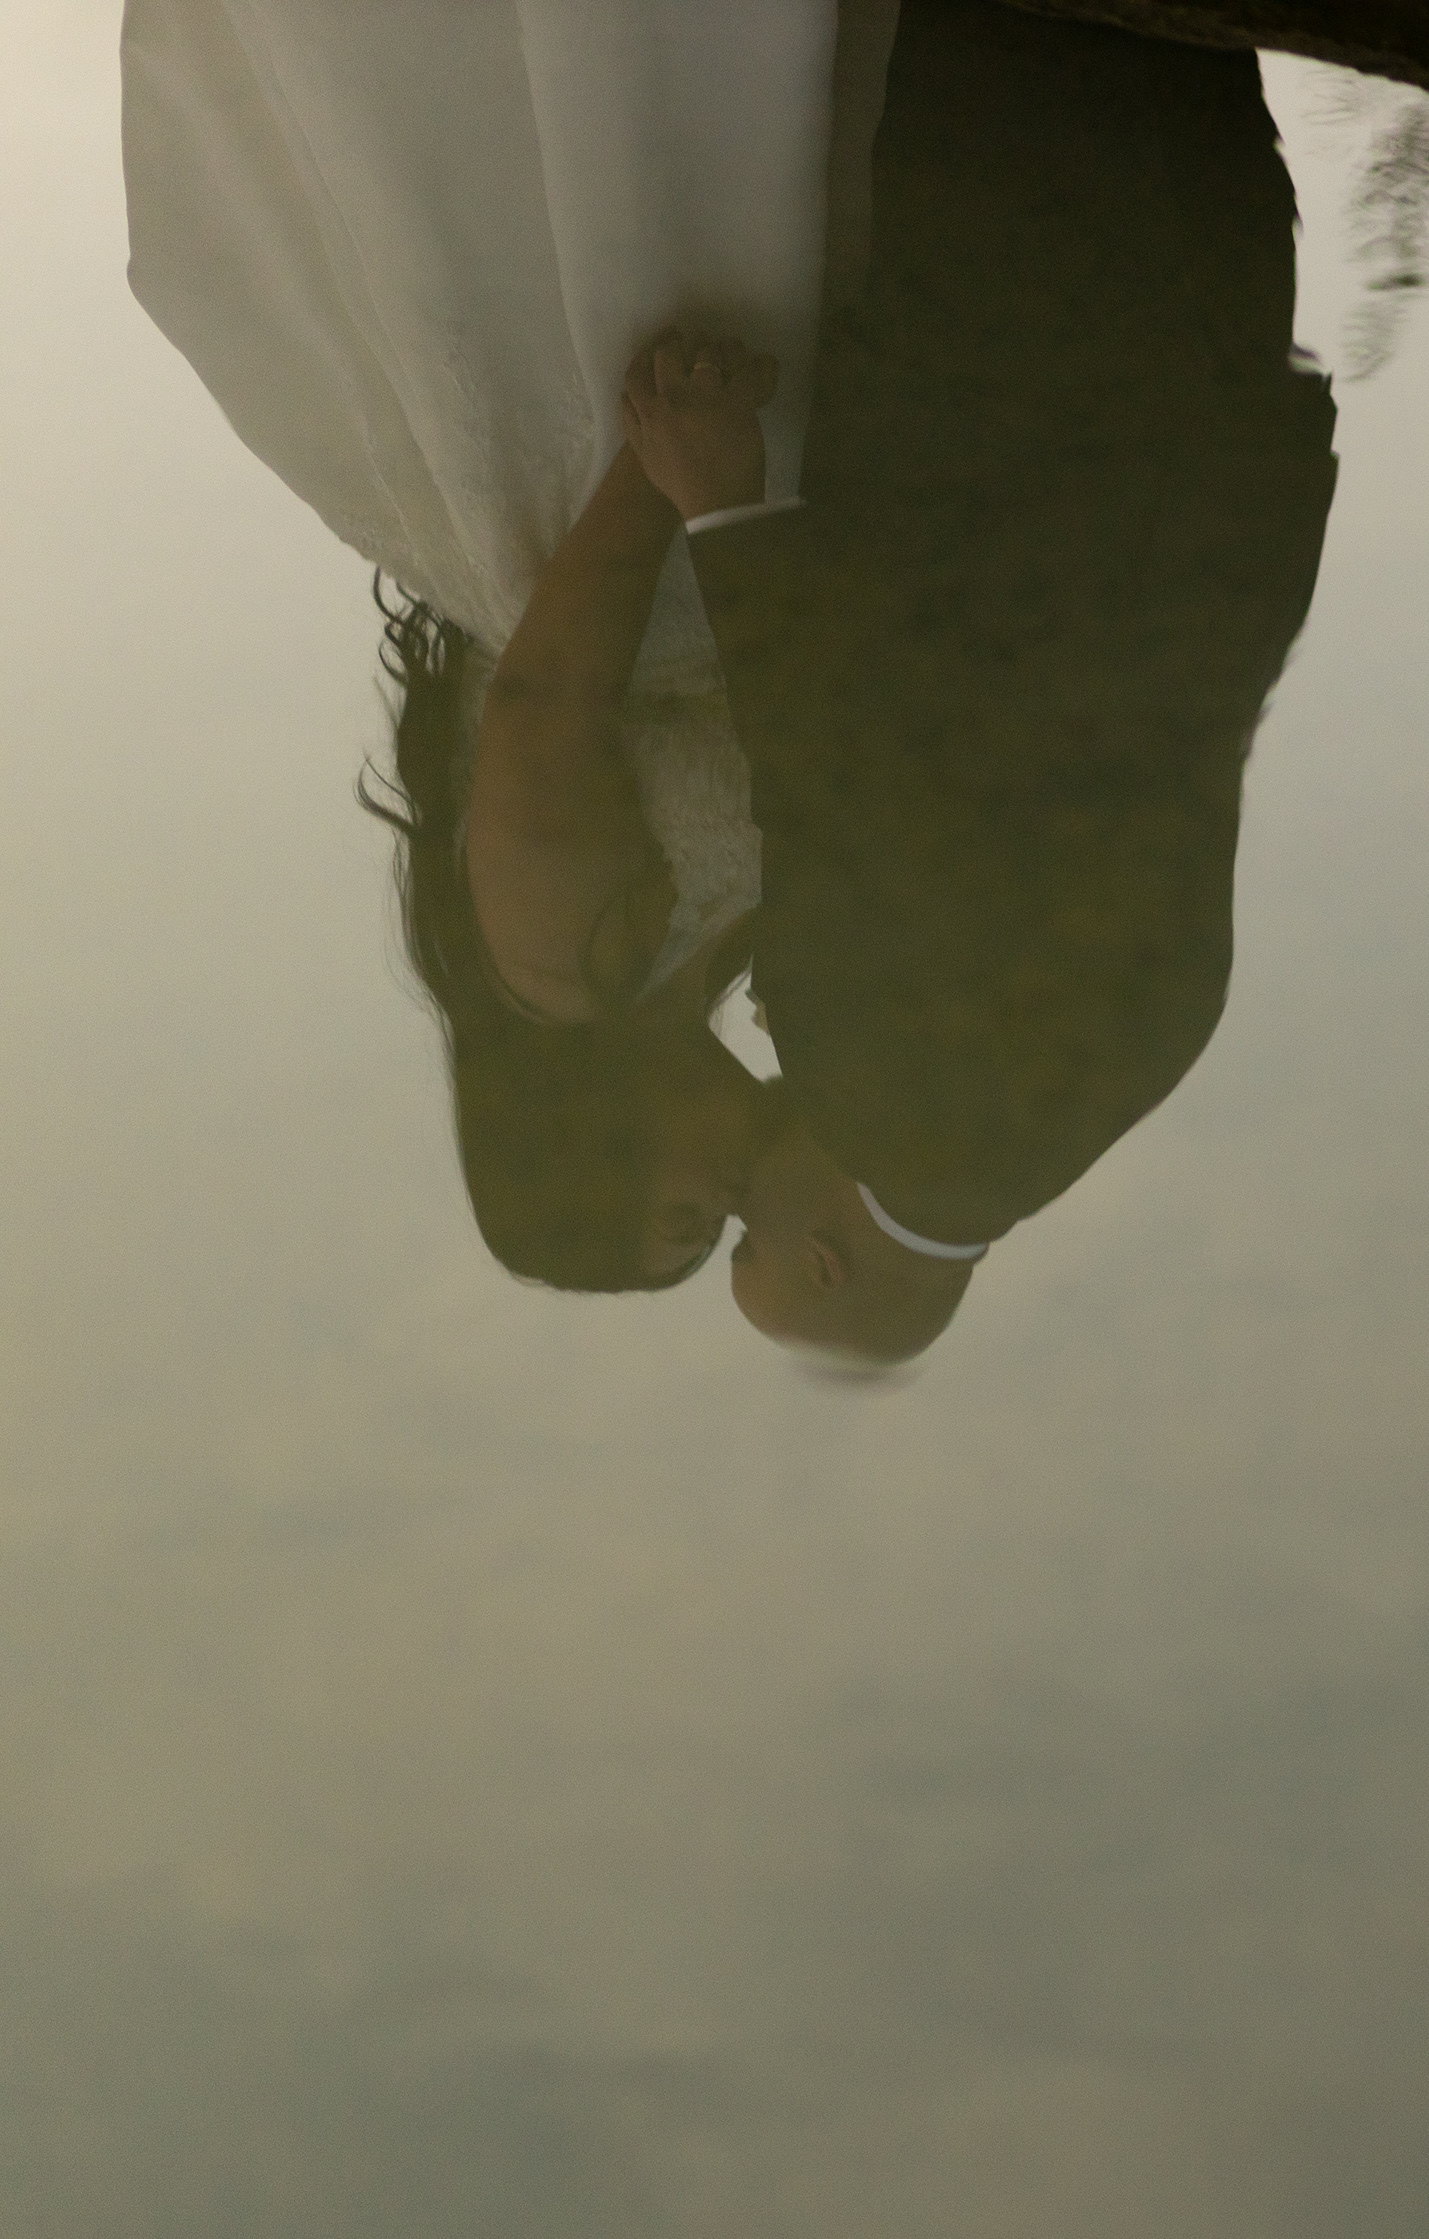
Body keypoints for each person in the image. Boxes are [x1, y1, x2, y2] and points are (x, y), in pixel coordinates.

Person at [617, 0, 1339, 1364]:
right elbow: (835, 771)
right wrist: (722, 504)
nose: (741, 1201)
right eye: (752, 1242)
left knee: (1180, 41)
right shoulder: (881, 1093)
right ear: (826, 1260)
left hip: (1214, 400)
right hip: (1007, 403)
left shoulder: (1138, 1068)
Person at [124, 0, 887, 1288]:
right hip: (722, 533)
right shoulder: (696, 970)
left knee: (644, 171)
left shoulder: (557, 964)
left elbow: (547, 698)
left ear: (592, 1151)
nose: (729, 1207)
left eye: (686, 1220)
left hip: (642, 517)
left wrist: (661, 462)